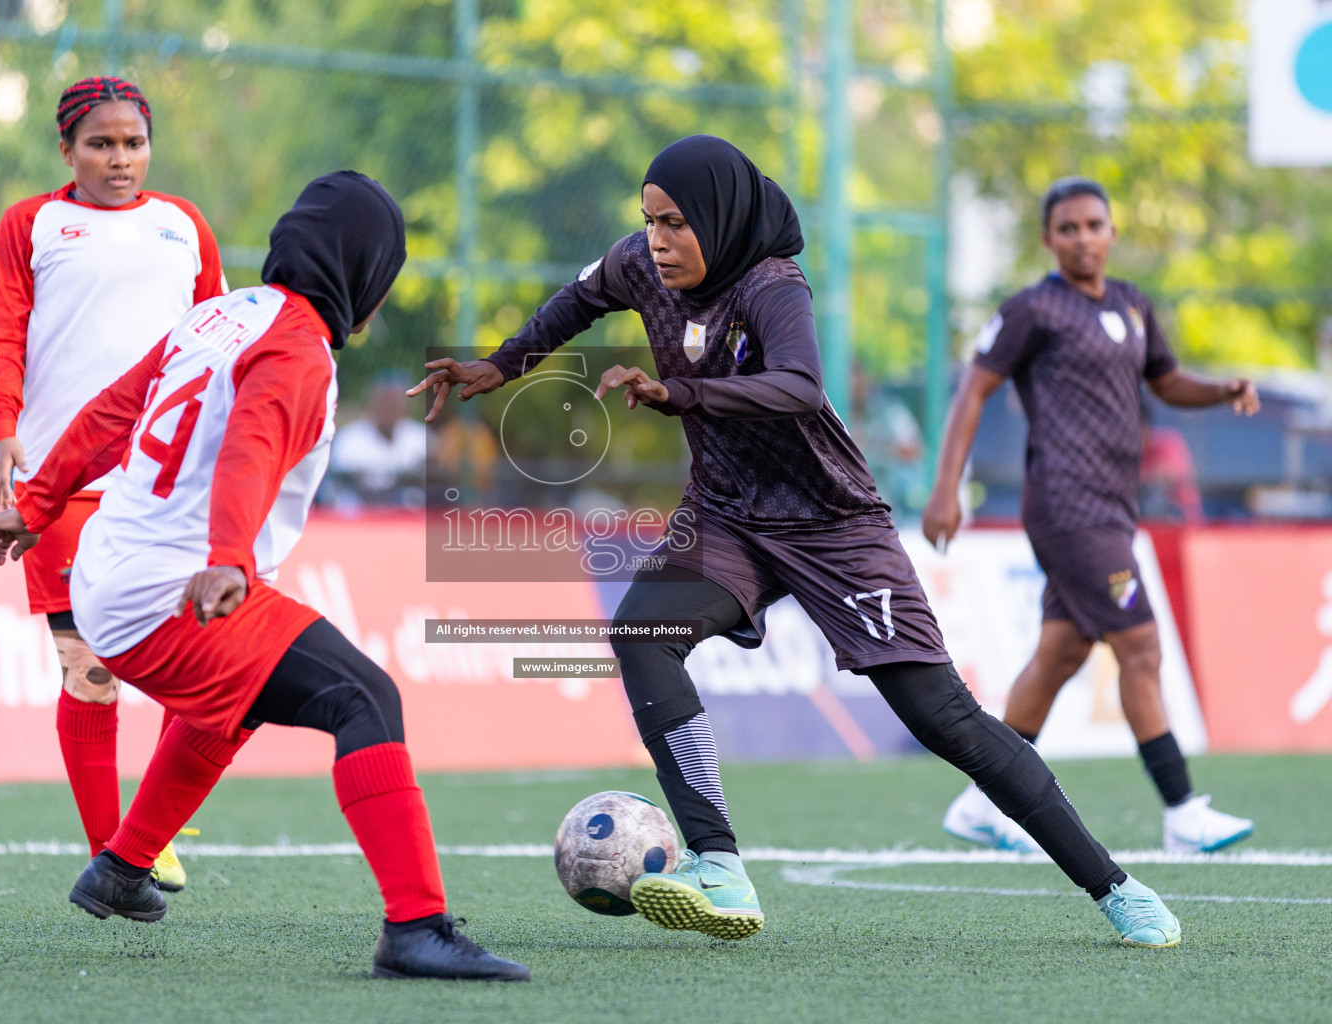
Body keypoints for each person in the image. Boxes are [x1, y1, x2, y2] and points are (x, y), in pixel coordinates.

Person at [411, 136, 1183, 949]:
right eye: (648, 222)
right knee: (642, 634)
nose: (658, 241)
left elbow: (799, 385)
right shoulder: (640, 263)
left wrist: (681, 393)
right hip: (729, 512)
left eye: (675, 223)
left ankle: (1114, 886)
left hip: (831, 524)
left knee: (944, 719)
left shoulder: (771, 284)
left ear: (718, 217)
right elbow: (579, 300)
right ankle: (720, 865)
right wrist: (503, 364)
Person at [0, 172, 529, 982]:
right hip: (169, 590)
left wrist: (40, 504)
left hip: (110, 568)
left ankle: (122, 868)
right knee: (366, 699)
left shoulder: (219, 315)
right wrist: (228, 560)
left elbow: (113, 410)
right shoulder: (299, 348)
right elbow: (251, 447)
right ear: (360, 274)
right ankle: (417, 926)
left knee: (236, 702)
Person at [923, 177, 1259, 855]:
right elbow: (974, 391)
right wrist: (946, 485)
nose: (1082, 238)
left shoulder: (1133, 305)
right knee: (1141, 647)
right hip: (1068, 510)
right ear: (1049, 239)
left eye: (1094, 225)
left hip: (1113, 507)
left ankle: (980, 803)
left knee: (1060, 654)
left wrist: (1220, 389)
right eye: (1068, 228)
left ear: (1112, 232)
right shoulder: (1030, 310)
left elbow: (1166, 381)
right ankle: (1183, 811)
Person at [0, 76, 226, 891]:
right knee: (89, 670)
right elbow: (0, 333)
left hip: (166, 483)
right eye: (101, 144)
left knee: (205, 656)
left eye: (134, 143)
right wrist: (5, 427)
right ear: (67, 151)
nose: (121, 160)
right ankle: (121, 854)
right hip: (60, 483)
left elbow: (219, 342)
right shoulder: (31, 225)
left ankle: (154, 813)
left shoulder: (184, 226)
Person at [328, 377, 426, 506]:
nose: (388, 409)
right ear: (371, 404)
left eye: (394, 403)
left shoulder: (420, 436)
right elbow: (341, 482)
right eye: (383, 402)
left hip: (408, 515)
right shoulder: (349, 439)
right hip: (359, 515)